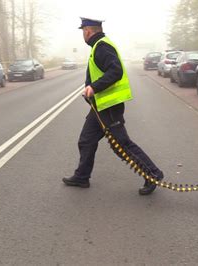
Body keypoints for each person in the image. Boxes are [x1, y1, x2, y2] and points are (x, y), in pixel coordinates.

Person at [62, 17, 164, 195]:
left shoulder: (102, 46)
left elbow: (116, 71)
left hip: (109, 106)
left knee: (121, 145)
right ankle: (82, 177)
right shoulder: (98, 46)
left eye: (83, 32)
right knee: (86, 140)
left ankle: (152, 173)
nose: (82, 35)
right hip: (100, 106)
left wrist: (94, 87)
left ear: (87, 31)